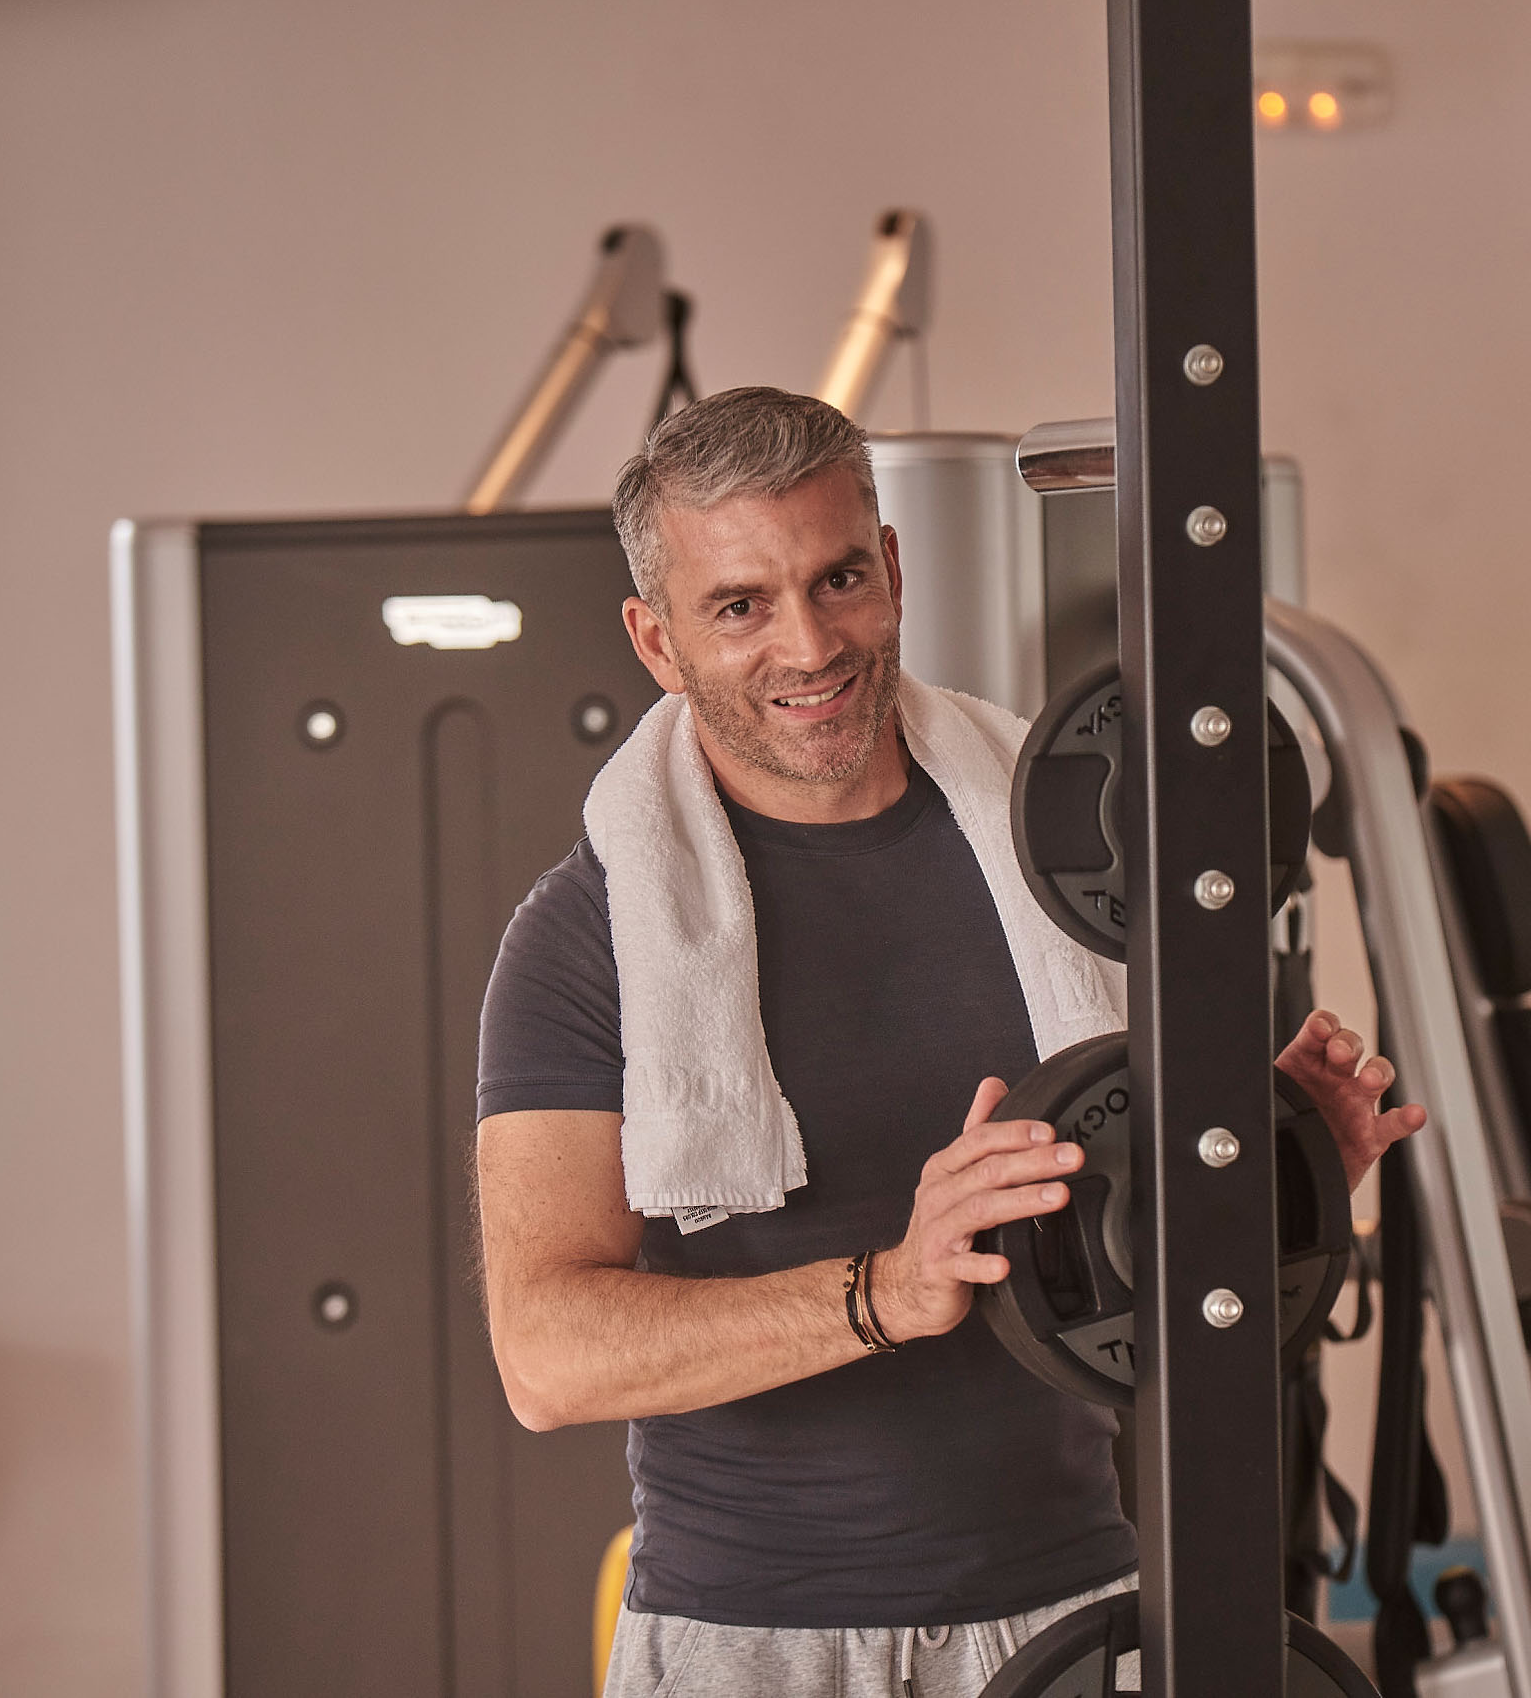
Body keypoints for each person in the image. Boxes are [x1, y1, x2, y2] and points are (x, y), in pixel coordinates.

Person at [474, 385, 1426, 1698]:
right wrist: (884, 1290)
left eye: (839, 578)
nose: (810, 644)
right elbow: (544, 1353)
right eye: (740, 606)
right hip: (751, 1642)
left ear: (891, 565)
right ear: (657, 639)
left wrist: (1281, 1167)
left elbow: (1127, 1245)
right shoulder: (589, 935)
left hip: (1073, 1603)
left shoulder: (1071, 865)